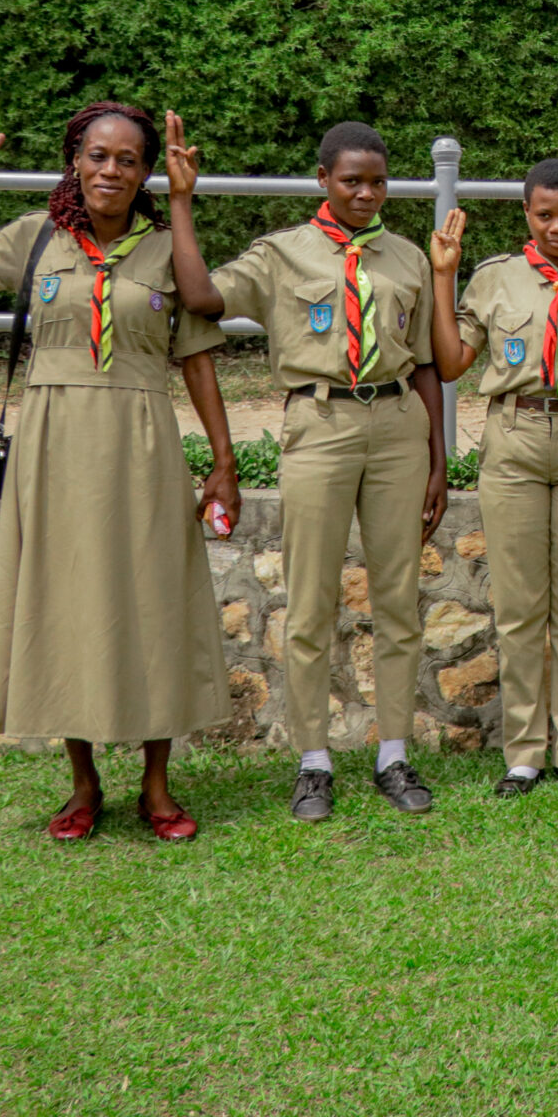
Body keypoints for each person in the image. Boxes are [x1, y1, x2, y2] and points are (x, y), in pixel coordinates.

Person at [0, 107, 237, 841]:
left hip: (143, 443)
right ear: (75, 161)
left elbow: (198, 349)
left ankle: (157, 785)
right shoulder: (37, 238)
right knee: (66, 602)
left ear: (145, 171)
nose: (111, 171)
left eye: (128, 159)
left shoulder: (164, 249)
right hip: (54, 446)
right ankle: (83, 782)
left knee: (156, 598)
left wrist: (222, 460)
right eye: (97, 156)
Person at [169, 121, 448, 822]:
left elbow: (425, 364)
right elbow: (202, 297)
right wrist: (181, 201)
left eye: (378, 180)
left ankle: (393, 753)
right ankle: (314, 761)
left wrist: (439, 458)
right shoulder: (280, 254)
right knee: (311, 600)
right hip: (318, 423)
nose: (366, 192)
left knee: (397, 597)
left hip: (396, 424)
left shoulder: (407, 256)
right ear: (322, 177)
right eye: (352, 179)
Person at [427, 160, 558, 797]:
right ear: (527, 213)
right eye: (544, 215)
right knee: (520, 607)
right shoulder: (495, 279)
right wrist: (445, 277)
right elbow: (449, 363)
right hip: (516, 439)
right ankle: (523, 753)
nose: (557, 226)